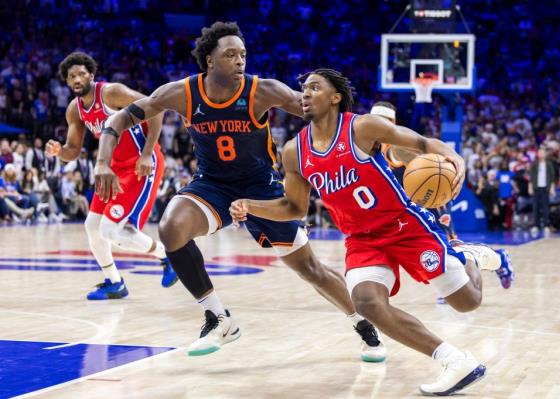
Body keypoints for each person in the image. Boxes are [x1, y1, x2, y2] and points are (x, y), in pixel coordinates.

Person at [93, 22, 384, 361]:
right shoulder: (181, 93)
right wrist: (103, 162)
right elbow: (116, 121)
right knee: (171, 226)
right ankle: (218, 318)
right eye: (230, 55)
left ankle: (363, 323)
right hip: (212, 184)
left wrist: (362, 132)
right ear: (209, 61)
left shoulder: (262, 90)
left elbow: (318, 111)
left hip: (261, 187)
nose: (240, 61)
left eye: (243, 55)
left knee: (310, 269)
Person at [230, 69, 514, 396]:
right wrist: (250, 206)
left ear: (335, 97)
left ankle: (472, 256)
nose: (305, 94)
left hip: (405, 227)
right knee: (366, 302)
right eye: (303, 89)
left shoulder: (363, 127)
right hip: (361, 239)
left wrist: (453, 158)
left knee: (467, 302)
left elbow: (422, 143)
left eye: (314, 88)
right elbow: (295, 208)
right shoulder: (295, 151)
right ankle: (453, 360)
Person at [46, 52, 178, 300]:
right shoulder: (75, 109)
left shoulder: (111, 92)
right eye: (71, 76)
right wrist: (59, 151)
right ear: (66, 82)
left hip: (140, 163)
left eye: (81, 74)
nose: (77, 78)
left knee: (111, 229)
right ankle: (114, 282)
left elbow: (156, 108)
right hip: (112, 169)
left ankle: (166, 256)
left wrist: (148, 153)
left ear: (92, 75)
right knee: (92, 227)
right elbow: (73, 150)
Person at [371, 101, 513, 290]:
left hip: (430, 203)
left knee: (453, 250)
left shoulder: (394, 148)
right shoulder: (367, 150)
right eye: (376, 120)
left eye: (385, 120)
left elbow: (429, 167)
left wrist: (439, 171)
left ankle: (497, 259)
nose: (379, 124)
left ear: (392, 122)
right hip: (404, 211)